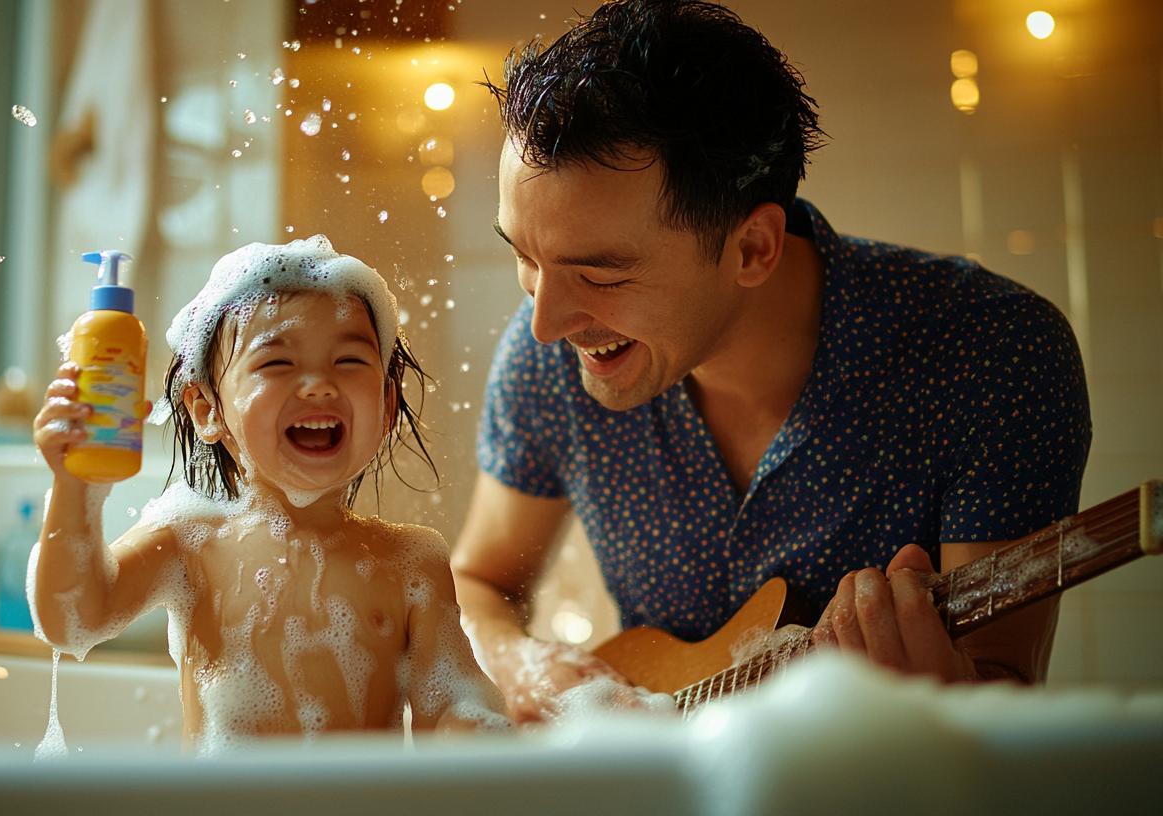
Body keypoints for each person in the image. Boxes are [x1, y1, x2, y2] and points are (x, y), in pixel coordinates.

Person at [452, 0, 1091, 723]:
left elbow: (1004, 688)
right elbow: (478, 583)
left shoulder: (995, 353)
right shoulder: (550, 360)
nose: (544, 325)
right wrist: (524, 667)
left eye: (600, 276)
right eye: (525, 256)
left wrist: (942, 699)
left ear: (753, 248)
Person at [31, 237, 511, 752]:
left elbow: (451, 712)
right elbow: (74, 618)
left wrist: (485, 733)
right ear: (207, 410)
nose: (319, 385)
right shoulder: (191, 542)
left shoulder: (410, 563)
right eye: (276, 364)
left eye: (349, 360)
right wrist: (75, 489)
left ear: (387, 404)